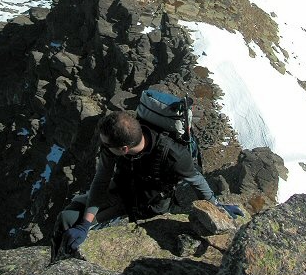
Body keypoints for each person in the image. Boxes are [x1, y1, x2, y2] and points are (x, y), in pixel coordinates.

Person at [52, 110, 243, 258]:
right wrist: (84, 224)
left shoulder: (174, 156)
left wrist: (216, 207)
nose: (103, 148)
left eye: (107, 145)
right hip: (122, 193)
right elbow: (101, 181)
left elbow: (197, 181)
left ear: (124, 148)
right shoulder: (116, 144)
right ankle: (57, 263)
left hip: (151, 206)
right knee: (67, 218)